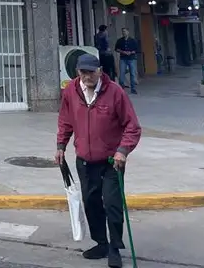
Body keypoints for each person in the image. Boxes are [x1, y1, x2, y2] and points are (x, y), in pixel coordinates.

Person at [56, 53, 141, 268]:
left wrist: (123, 150)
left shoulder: (115, 92)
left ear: (100, 71)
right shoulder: (70, 92)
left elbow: (132, 126)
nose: (87, 76)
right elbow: (65, 121)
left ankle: (114, 247)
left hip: (112, 161)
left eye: (91, 72)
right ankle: (101, 243)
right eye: (83, 72)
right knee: (91, 203)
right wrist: (60, 146)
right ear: (77, 72)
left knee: (112, 204)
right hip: (85, 160)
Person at [115, 28, 139, 94]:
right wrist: (123, 52)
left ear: (128, 32)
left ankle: (133, 88)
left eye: (125, 31)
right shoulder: (120, 40)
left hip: (131, 58)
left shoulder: (133, 40)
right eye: (123, 32)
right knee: (122, 73)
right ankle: (121, 88)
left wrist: (131, 52)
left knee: (132, 74)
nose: (124, 33)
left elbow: (136, 49)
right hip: (123, 58)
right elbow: (116, 49)